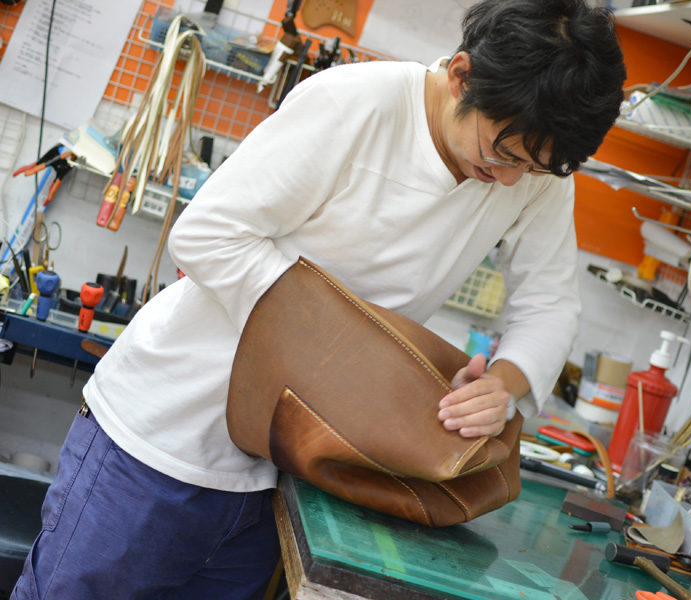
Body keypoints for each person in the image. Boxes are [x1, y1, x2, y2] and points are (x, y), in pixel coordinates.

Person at [12, 0, 626, 597]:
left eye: (533, 168)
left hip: (288, 469)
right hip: (161, 443)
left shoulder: (535, 167)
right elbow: (207, 234)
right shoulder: (356, 103)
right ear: (462, 76)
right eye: (502, 153)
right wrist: (343, 347)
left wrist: (504, 383)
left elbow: (549, 304)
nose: (512, 179)